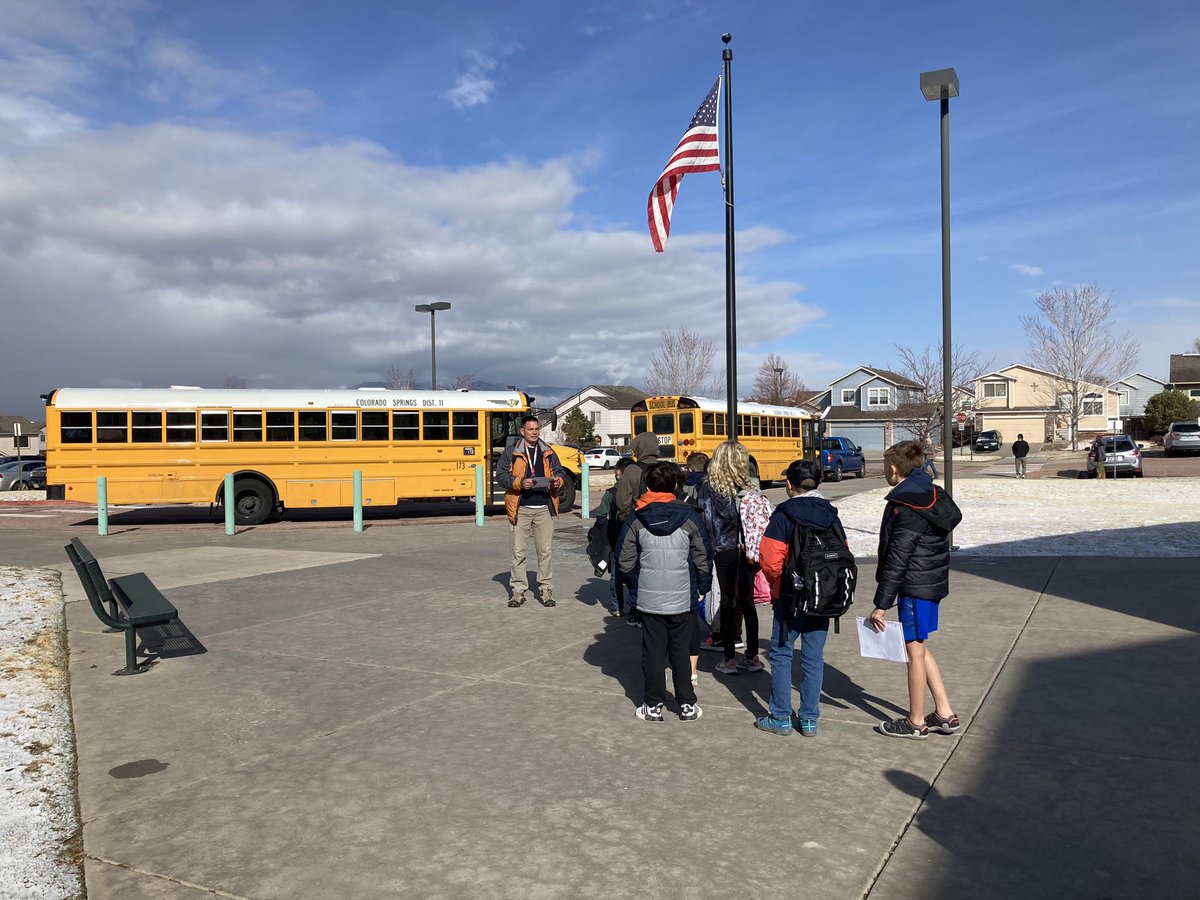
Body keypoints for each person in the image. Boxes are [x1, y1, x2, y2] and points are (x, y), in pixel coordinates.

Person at [866, 440, 963, 739]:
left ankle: (916, 720)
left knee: (914, 651)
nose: (884, 471)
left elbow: (898, 559)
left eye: (884, 466)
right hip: (930, 585)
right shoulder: (934, 494)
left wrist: (881, 604)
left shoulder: (906, 505)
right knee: (919, 645)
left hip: (915, 586)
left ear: (894, 469)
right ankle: (944, 713)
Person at [755, 459, 848, 736]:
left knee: (782, 654)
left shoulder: (783, 516)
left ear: (788, 484)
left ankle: (781, 716)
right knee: (813, 656)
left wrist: (779, 585)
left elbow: (770, 561)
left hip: (790, 597)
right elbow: (843, 551)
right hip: (823, 596)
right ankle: (809, 719)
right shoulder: (832, 515)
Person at [618, 462, 712, 722]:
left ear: (647, 485)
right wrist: (702, 585)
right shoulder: (689, 516)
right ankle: (686, 705)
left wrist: (637, 584)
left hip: (649, 599)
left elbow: (624, 560)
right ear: (675, 486)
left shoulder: (636, 517)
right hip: (681, 597)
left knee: (653, 652)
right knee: (681, 652)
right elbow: (703, 555)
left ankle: (653, 705)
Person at [697, 441, 761, 674]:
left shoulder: (708, 487)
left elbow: (706, 521)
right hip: (747, 550)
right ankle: (753, 656)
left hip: (723, 549)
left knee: (726, 599)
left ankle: (729, 658)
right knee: (747, 600)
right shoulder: (751, 486)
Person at [497, 415, 566, 608]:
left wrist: (558, 480)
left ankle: (545, 590)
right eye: (530, 429)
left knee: (545, 552)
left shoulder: (548, 451)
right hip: (520, 510)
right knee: (518, 554)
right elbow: (501, 477)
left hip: (543, 508)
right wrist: (520, 482)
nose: (534, 432)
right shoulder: (511, 452)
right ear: (522, 431)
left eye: (537, 429)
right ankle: (518, 592)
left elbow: (559, 472)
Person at [612, 432, 661, 626]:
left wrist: (624, 519)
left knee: (632, 565)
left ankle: (638, 608)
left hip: (638, 523)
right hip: (663, 525)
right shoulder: (663, 468)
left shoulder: (632, 470)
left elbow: (622, 500)